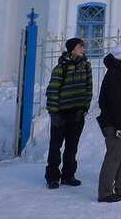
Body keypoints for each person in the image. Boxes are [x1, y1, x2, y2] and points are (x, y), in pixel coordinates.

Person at [44, 37, 93, 189]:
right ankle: (52, 177)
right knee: (55, 146)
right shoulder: (61, 67)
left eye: (83, 47)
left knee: (72, 147)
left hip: (77, 113)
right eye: (80, 47)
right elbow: (52, 91)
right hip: (61, 113)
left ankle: (68, 175)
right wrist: (54, 114)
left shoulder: (86, 66)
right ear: (72, 49)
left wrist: (84, 108)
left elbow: (88, 89)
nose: (83, 49)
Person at [96, 41, 121, 203]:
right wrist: (119, 125)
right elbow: (113, 103)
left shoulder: (120, 72)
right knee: (113, 157)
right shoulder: (114, 74)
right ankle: (105, 192)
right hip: (114, 124)